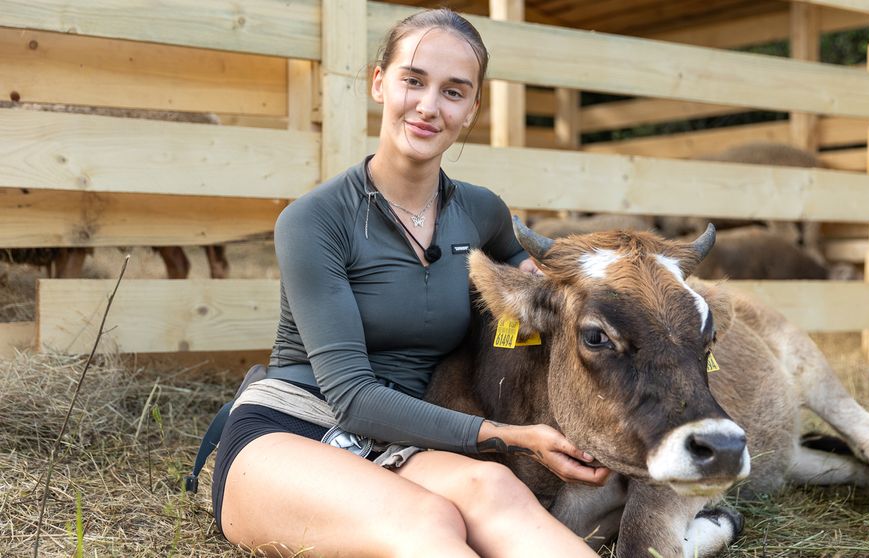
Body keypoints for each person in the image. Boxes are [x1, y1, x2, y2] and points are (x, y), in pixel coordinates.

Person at [210, 8, 609, 557]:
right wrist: (513, 436)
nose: (428, 106)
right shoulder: (313, 220)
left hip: (401, 444)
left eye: (453, 91)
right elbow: (351, 399)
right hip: (291, 429)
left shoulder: (482, 212)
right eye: (413, 80)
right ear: (380, 83)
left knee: (497, 489)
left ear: (470, 110)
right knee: (427, 523)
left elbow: (538, 285)